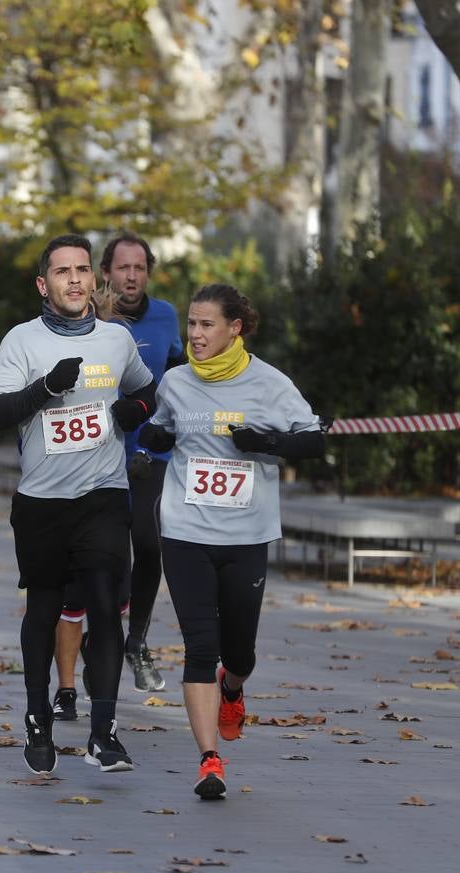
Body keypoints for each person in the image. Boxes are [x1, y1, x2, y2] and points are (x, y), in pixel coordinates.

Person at [138, 284, 323, 799]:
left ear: (234, 328)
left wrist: (267, 442)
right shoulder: (175, 381)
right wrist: (155, 439)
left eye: (206, 325)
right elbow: (161, 427)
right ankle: (208, 759)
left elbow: (313, 438)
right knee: (199, 645)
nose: (194, 335)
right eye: (190, 324)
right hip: (185, 531)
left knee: (238, 651)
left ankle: (233, 687)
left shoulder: (268, 383)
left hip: (246, 536)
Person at [0, 233, 156, 776]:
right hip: (41, 503)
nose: (76, 280)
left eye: (83, 270)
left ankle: (103, 733)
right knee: (43, 611)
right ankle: (38, 718)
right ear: (44, 283)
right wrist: (43, 389)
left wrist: (135, 410)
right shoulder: (21, 341)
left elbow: (149, 391)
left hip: (103, 494)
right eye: (63, 272)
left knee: (105, 608)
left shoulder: (115, 340)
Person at [51, 233, 183, 719]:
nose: (131, 276)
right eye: (122, 268)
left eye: (140, 268)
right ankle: (95, 648)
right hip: (97, 456)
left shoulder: (168, 317)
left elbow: (180, 372)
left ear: (149, 272)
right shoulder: (91, 314)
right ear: (105, 272)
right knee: (102, 562)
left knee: (149, 542)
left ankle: (136, 640)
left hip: (148, 454)